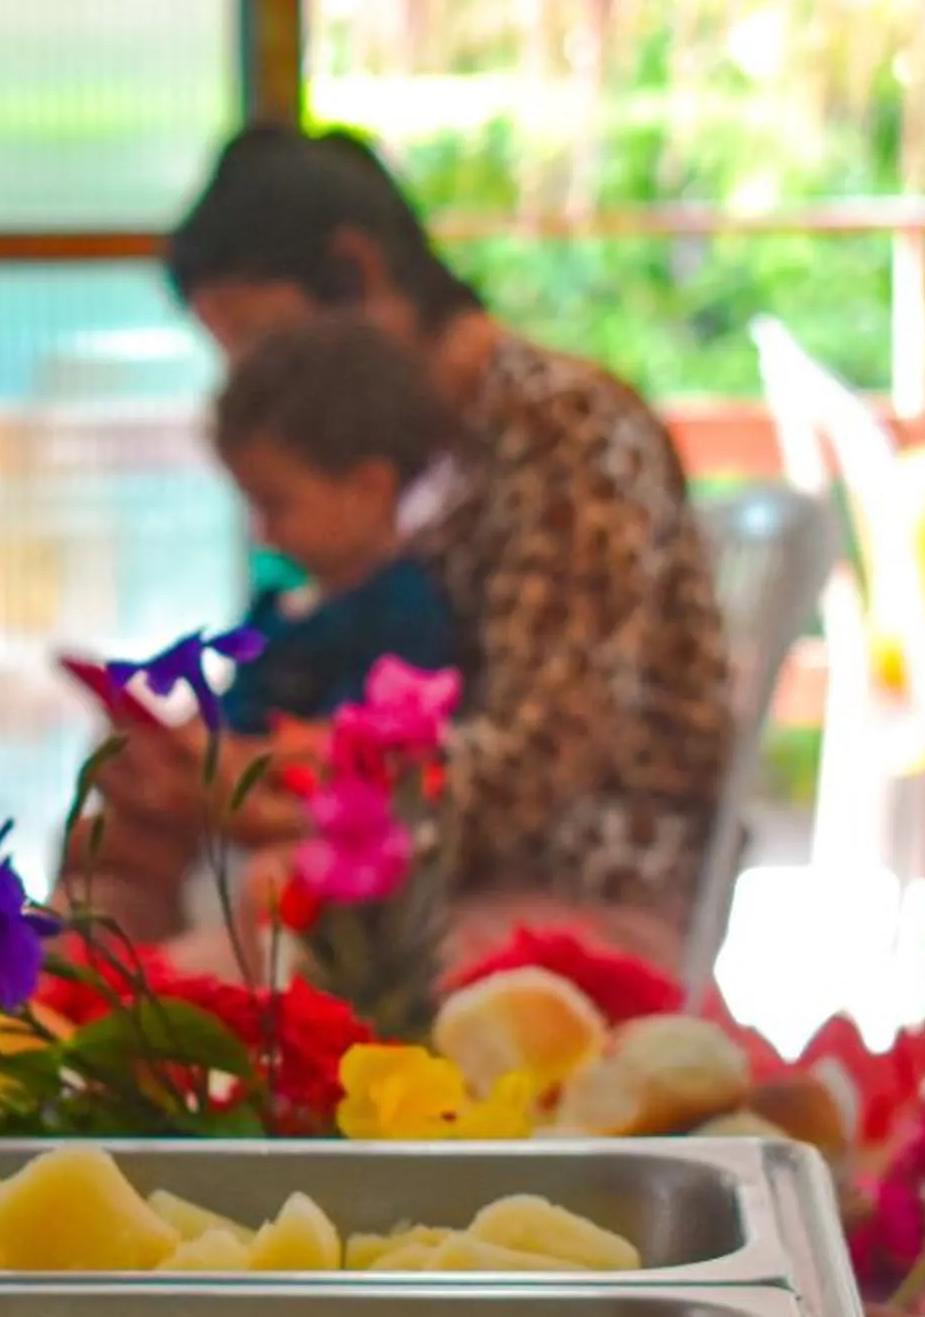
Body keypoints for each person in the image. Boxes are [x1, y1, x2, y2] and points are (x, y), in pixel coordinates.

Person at [80, 122, 734, 972]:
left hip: (570, 886)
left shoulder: (563, 432)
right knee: (122, 841)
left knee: (213, 972)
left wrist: (286, 791)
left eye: (266, 345)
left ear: (358, 270)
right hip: (430, 863)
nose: (257, 386)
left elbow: (535, 762)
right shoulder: (436, 447)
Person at [211, 315, 462, 736]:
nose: (263, 533)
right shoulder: (274, 608)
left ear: (370, 488)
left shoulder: (404, 615)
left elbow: (353, 750)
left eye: (276, 505)